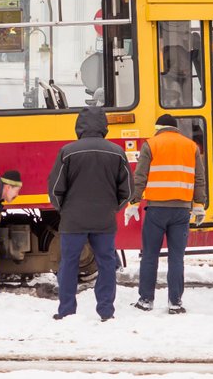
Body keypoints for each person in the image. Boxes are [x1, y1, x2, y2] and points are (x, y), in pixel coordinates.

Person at [48, 106, 133, 321]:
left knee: (68, 263)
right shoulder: (117, 152)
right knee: (106, 264)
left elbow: (55, 187)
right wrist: (112, 208)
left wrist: (64, 209)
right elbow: (127, 191)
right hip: (103, 220)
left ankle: (66, 310)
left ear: (79, 126)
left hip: (73, 220)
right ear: (104, 126)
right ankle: (105, 310)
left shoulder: (67, 152)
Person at [127, 114, 207, 315]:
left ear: (159, 128)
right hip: (181, 210)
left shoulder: (151, 144)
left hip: (156, 210)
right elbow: (199, 178)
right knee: (176, 258)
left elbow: (140, 177)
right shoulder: (191, 146)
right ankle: (175, 302)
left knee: (150, 256)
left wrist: (134, 202)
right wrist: (199, 204)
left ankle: (146, 300)